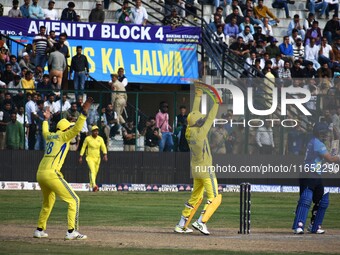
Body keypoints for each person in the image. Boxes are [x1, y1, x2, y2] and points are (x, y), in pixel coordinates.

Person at [33, 97, 93, 240]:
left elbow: (44, 130)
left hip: (40, 173)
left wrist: (46, 119)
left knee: (48, 202)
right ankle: (72, 231)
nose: (71, 129)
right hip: (51, 173)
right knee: (74, 200)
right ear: (66, 128)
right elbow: (78, 128)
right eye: (69, 127)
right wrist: (83, 114)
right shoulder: (64, 136)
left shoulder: (50, 136)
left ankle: (39, 229)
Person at [174, 87, 220, 235]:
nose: (202, 120)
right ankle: (201, 222)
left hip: (195, 168)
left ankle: (181, 224)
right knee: (215, 198)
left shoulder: (188, 130)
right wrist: (217, 103)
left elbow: (193, 114)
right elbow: (210, 118)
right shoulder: (200, 133)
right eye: (200, 119)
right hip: (205, 168)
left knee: (196, 197)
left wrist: (198, 95)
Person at [292, 122, 340, 234]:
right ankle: (299, 225)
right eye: (324, 133)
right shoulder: (318, 144)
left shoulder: (314, 141)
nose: (326, 135)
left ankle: (314, 225)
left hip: (315, 174)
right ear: (319, 133)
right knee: (306, 199)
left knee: (321, 200)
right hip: (309, 174)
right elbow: (330, 159)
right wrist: (337, 157)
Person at [79, 125, 107, 192]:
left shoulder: (100, 139)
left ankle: (91, 186)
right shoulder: (88, 139)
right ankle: (94, 185)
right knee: (92, 171)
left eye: (97, 131)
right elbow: (83, 147)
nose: (96, 132)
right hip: (89, 157)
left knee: (95, 172)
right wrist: (81, 156)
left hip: (97, 158)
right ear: (92, 132)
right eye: (95, 131)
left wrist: (105, 155)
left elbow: (103, 147)